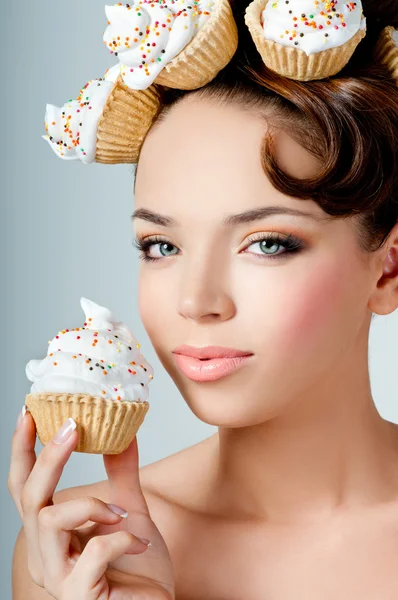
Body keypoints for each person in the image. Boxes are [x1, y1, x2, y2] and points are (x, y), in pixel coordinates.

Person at [8, 0, 398, 598]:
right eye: (161, 246)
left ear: (387, 269)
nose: (196, 301)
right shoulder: (82, 549)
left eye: (267, 243)